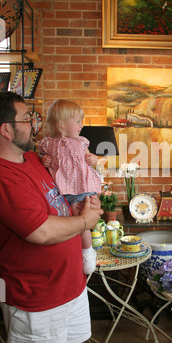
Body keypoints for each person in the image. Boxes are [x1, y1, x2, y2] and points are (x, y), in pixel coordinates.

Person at [0, 92, 102, 343]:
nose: (34, 124)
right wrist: (84, 222)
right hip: (37, 294)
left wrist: (79, 207)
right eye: (26, 119)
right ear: (6, 129)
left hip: (70, 284)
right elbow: (40, 231)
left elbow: (59, 198)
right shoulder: (5, 176)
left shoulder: (33, 159)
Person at [38, 99, 103, 274]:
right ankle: (79, 251)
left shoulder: (81, 142)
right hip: (62, 189)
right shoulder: (48, 143)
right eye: (77, 121)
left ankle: (88, 252)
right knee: (70, 221)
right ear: (61, 124)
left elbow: (92, 157)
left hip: (81, 187)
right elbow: (41, 158)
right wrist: (44, 160)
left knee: (80, 217)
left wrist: (93, 159)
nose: (81, 125)